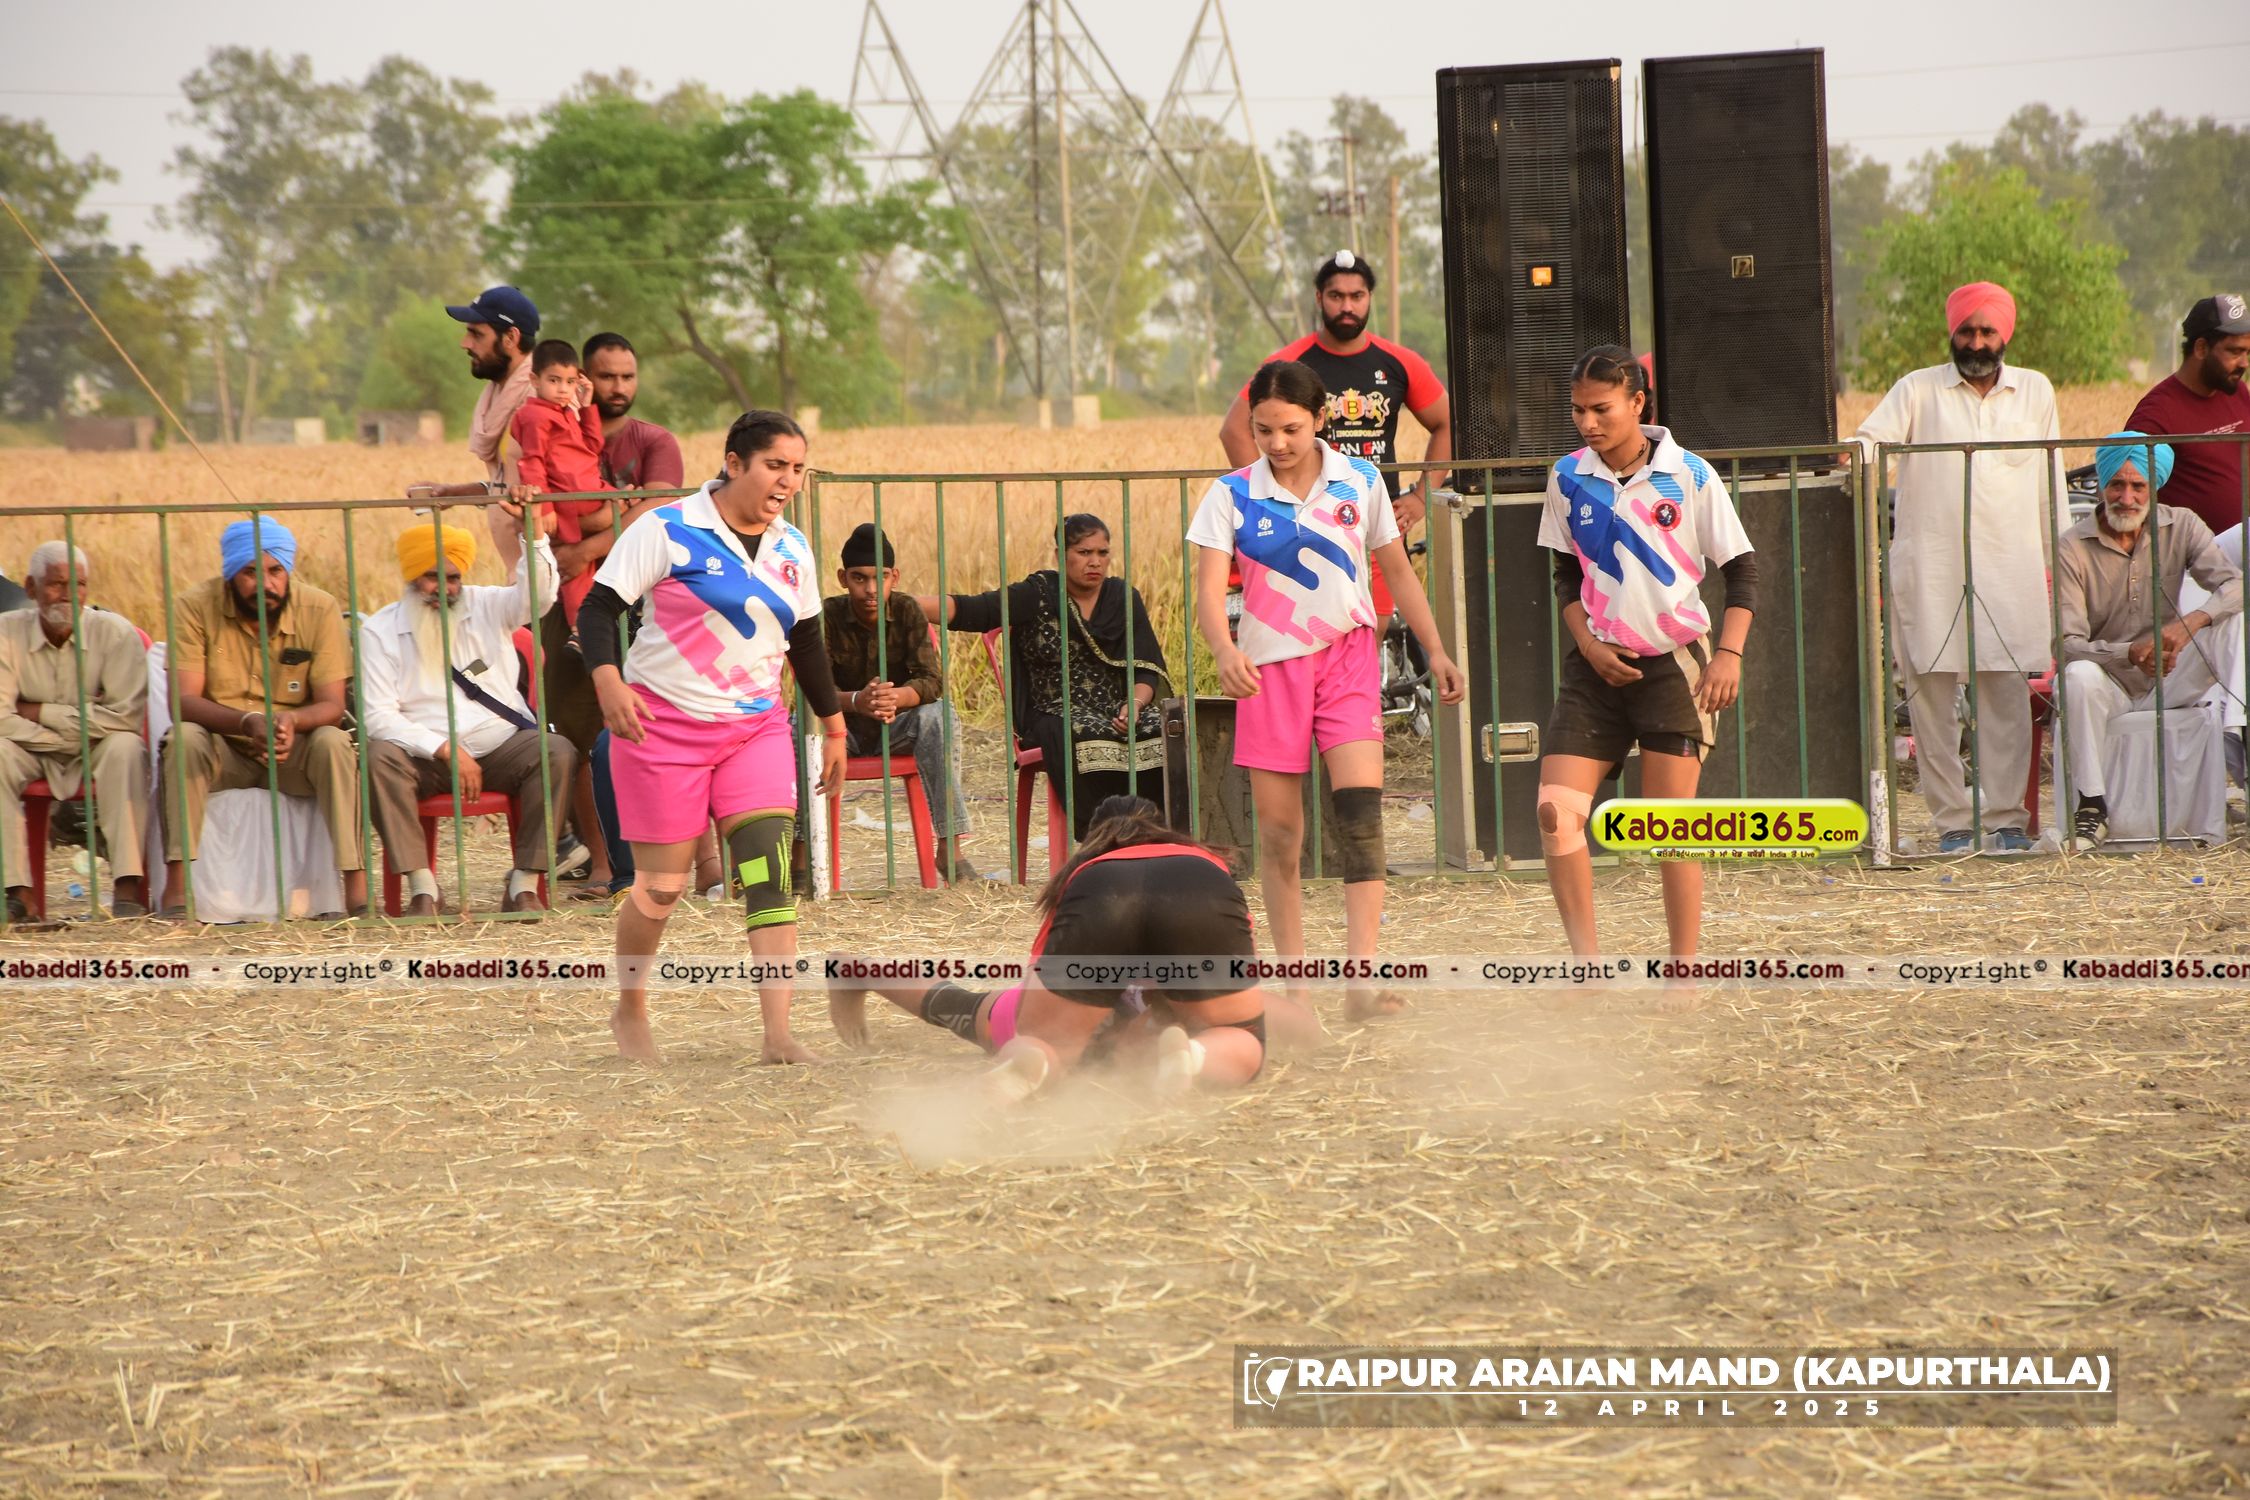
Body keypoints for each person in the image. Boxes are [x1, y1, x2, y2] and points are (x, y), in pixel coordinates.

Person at [1190, 359, 1466, 1023]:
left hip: (1347, 659)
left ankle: (1360, 984)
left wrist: (1435, 650)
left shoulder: (1360, 481)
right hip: (1269, 672)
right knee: (1281, 838)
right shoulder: (1231, 495)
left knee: (1361, 819)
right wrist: (1225, 651)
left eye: (1291, 428)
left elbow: (1398, 571)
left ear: (1320, 419)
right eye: (1264, 430)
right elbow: (1207, 592)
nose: (1277, 442)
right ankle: (1295, 993)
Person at [577, 410, 845, 1064]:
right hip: (660, 729)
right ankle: (630, 1008)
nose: (788, 481)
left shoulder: (792, 547)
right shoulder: (667, 528)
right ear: (733, 464)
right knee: (661, 889)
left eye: (797, 469)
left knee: (768, 874)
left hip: (755, 729)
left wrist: (834, 724)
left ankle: (778, 1035)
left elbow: (806, 641)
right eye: (775, 466)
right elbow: (599, 608)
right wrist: (608, 681)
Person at [830, 796, 1310, 1100]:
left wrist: (1039, 1029)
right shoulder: (1197, 861)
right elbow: (1277, 1012)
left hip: (1099, 949)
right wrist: (1303, 1031)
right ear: (1162, 833)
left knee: (985, 1016)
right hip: (1188, 923)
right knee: (1242, 1035)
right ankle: (1196, 1057)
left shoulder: (1086, 874)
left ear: (1091, 844)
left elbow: (996, 991)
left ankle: (1032, 1058)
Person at [1533, 348, 1756, 997]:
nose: (1588, 423)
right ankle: (1589, 971)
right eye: (1578, 410)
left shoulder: (1690, 474)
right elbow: (1565, 575)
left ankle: (1683, 975)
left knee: (1668, 828)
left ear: (1638, 403)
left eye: (1601, 409)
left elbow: (1741, 570)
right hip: (1594, 668)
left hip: (1674, 666)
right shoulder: (1566, 477)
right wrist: (1588, 645)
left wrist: (1729, 655)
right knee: (1556, 814)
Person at [1856, 280, 2068, 854]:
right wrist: (1852, 456)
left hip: (2009, 567)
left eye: (1986, 331)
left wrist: (2060, 562)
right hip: (1933, 567)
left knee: (2006, 697)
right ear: (1952, 332)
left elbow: (2050, 484)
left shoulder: (2035, 390)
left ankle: (2005, 820)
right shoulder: (1917, 389)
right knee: (1931, 696)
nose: (1976, 342)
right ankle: (1952, 822)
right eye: (1966, 331)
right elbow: (1869, 443)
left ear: (2005, 334)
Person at [359, 509, 577, 914]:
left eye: (453, 578)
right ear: (411, 579)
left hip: (498, 750)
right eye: (432, 577)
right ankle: (424, 890)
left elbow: (540, 599)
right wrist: (445, 750)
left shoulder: (488, 605)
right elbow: (377, 716)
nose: (445, 589)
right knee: (377, 757)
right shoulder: (379, 630)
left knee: (555, 751)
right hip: (423, 760)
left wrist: (533, 538)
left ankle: (523, 886)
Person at [1220, 250, 1452, 622]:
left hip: (1376, 518)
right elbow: (1234, 430)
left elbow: (1447, 424)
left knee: (1375, 623)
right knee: (1315, 624)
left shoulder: (1399, 362)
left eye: (1356, 296)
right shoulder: (1290, 363)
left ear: (1369, 298)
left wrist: (1421, 498)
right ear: (1319, 298)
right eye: (1336, 296)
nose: (1347, 306)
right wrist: (1273, 502)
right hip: (1310, 520)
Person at [158, 518, 369, 920]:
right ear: (230, 574)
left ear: (288, 571)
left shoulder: (318, 608)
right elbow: (182, 702)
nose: (265, 584)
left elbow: (331, 703)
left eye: (275, 571)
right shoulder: (193, 606)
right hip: (224, 747)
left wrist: (291, 723)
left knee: (334, 741)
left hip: (294, 749)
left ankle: (357, 891)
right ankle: (177, 891)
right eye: (251, 573)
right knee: (184, 739)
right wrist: (246, 722)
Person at [918, 513, 1170, 841]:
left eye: (1102, 553)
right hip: (1052, 711)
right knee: (1071, 731)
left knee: (1167, 727)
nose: (1095, 562)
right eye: (1084, 552)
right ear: (1060, 556)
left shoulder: (1122, 597)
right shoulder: (1037, 594)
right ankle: (1102, 836)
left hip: (1119, 709)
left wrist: (1134, 704)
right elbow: (973, 609)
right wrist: (898, 602)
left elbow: (1146, 668)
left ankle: (1158, 832)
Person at [2053, 433, 2243, 849]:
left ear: (2154, 488)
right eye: (2117, 485)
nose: (2127, 498)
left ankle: (2244, 751)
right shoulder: (2072, 546)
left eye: (2138, 486)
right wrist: (2129, 652)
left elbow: (2235, 585)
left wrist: (2190, 622)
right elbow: (2065, 643)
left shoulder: (2182, 524)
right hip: (2112, 683)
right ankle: (2091, 806)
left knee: (2235, 623)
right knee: (2077, 675)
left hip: (2171, 673)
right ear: (2101, 486)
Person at [572, 332, 691, 899]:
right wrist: (610, 518)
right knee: (579, 733)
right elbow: (555, 505)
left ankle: (700, 866)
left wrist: (582, 547)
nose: (619, 387)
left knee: (660, 723)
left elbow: (656, 510)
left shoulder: (655, 441)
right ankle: (604, 867)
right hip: (572, 599)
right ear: (584, 379)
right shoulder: (565, 436)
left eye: (628, 376)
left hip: (644, 601)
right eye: (607, 376)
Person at [0, 543, 150, 920]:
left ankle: (127, 888)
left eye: (78, 585)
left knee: (126, 748)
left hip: (95, 747)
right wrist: (63, 734)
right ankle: (19, 894)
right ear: (30, 587)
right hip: (31, 748)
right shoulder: (5, 633)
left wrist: (40, 711)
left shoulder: (115, 633)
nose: (69, 595)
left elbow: (126, 717)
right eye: (56, 584)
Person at [822, 523, 976, 881]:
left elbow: (932, 680)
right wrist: (857, 700)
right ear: (843, 578)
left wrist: (896, 696)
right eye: (859, 578)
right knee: (799, 726)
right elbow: (814, 689)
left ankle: (950, 849)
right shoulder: (826, 615)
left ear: (895, 576)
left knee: (940, 714)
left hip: (897, 728)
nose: (871, 589)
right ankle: (802, 857)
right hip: (842, 732)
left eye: (881, 577)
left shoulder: (907, 610)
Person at [2126, 294, 2250, 538]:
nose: (2244, 363)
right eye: (2235, 352)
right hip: (2196, 556)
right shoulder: (2156, 413)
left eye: (2248, 353)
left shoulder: (2237, 392)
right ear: (2201, 348)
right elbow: (2124, 495)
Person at [509, 338, 617, 617]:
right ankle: (581, 626)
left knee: (584, 566)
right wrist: (544, 506)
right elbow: (532, 461)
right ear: (535, 379)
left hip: (591, 491)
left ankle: (585, 626)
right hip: (571, 500)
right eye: (554, 380)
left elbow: (592, 447)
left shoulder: (567, 412)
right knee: (577, 562)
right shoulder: (535, 416)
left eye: (570, 382)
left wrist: (586, 405)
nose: (563, 389)